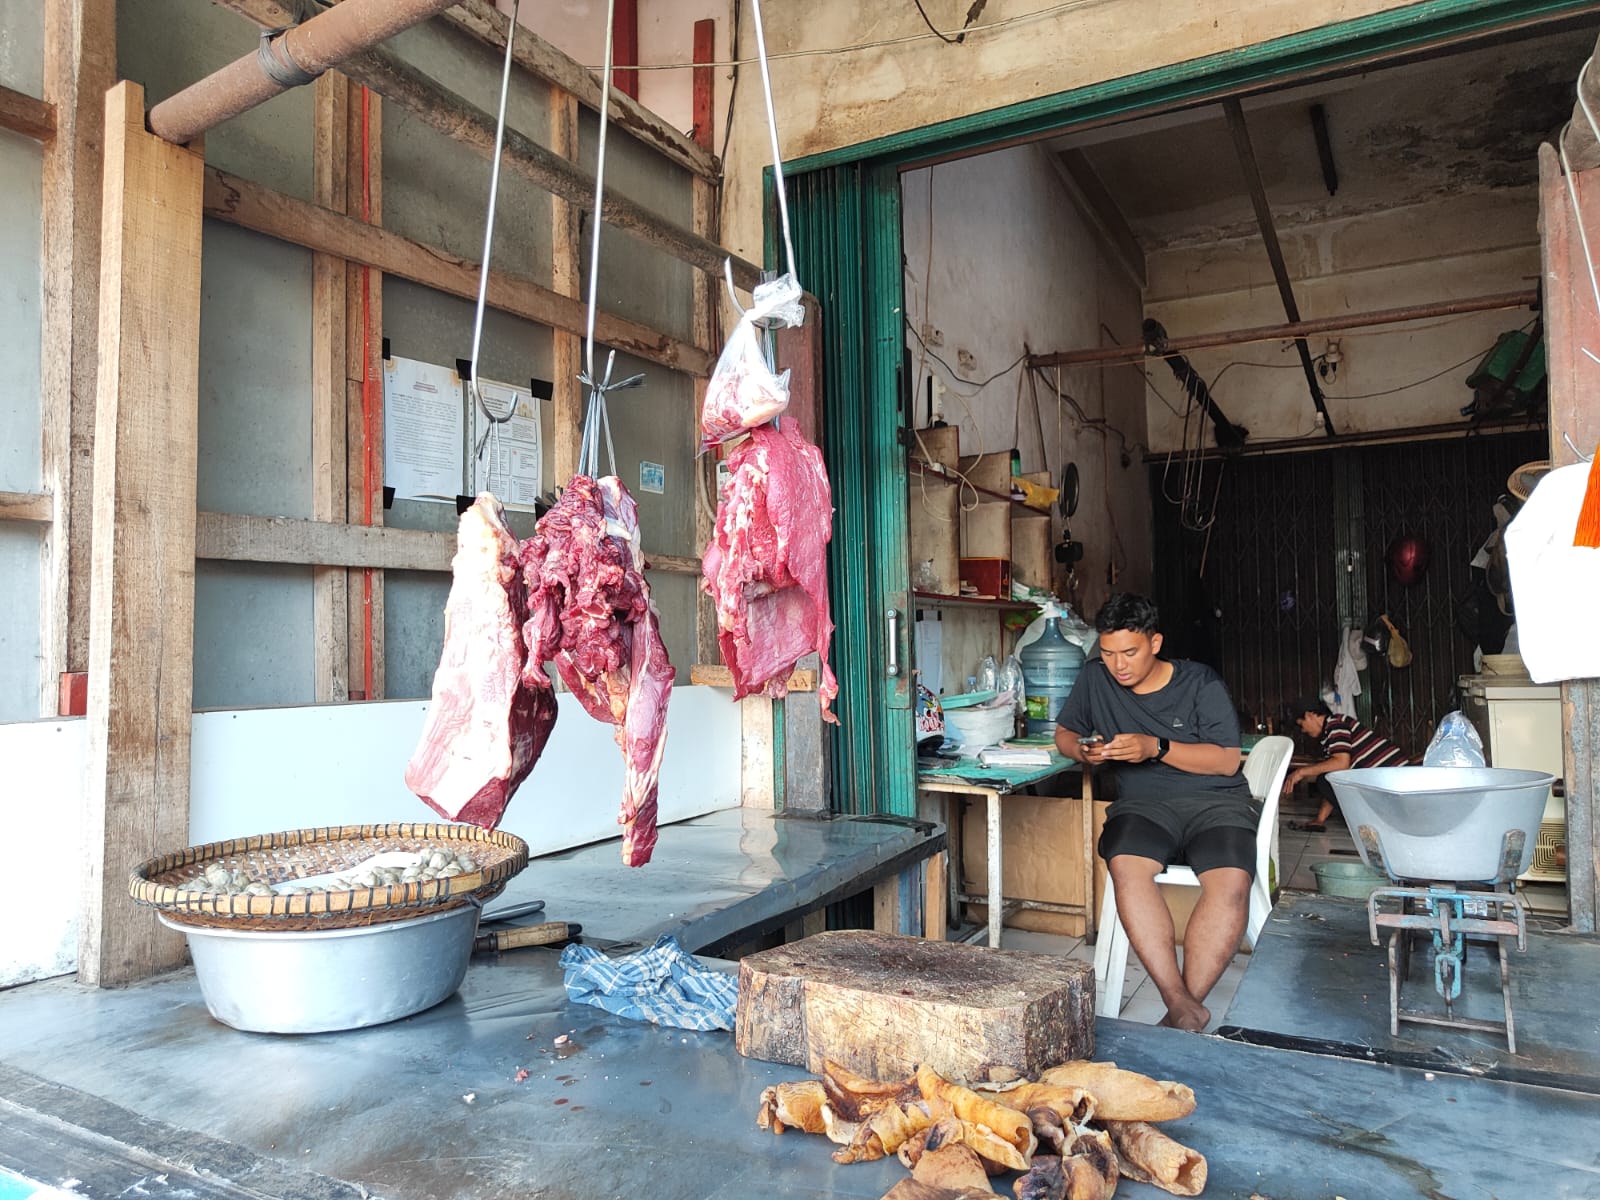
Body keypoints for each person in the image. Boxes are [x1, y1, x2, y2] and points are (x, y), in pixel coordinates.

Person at [1054, 593, 1256, 1033]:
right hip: (1144, 806)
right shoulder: (1095, 680)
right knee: (1126, 864)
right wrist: (1082, 751)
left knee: (1230, 883)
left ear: (1156, 642)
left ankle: (1183, 1010)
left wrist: (1157, 747)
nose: (1118, 665)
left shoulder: (1200, 683)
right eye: (1108, 653)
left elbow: (1226, 761)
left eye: (1130, 652)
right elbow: (1065, 732)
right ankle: (1181, 1005)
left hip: (1216, 802)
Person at [1282, 698, 1409, 832]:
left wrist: (1300, 772)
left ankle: (1370, 822)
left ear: (1309, 715)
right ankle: (1371, 820)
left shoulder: (1335, 724)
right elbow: (1335, 779)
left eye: (1301, 725)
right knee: (1327, 778)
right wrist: (1319, 820)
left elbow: (1341, 764)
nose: (1303, 730)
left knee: (1324, 779)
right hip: (1390, 787)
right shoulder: (1330, 733)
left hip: (1395, 789)